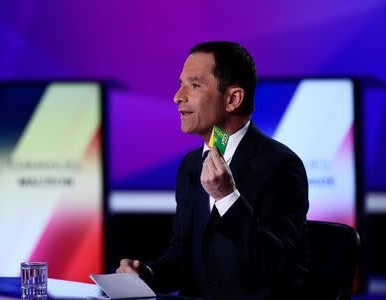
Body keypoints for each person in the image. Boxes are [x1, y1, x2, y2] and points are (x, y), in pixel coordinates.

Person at [117, 41, 309, 299]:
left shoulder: (281, 165)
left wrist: (228, 198)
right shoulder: (190, 165)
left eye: (194, 85)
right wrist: (147, 275)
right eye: (181, 83)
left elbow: (276, 267)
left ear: (232, 99)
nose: (178, 96)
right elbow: (182, 258)